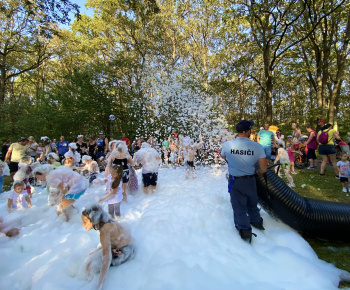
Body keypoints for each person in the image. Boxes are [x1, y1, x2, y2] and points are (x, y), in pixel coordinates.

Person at [221, 120, 267, 243]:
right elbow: (263, 168)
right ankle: (256, 221)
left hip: (235, 180)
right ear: (248, 132)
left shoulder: (227, 145)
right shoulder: (257, 146)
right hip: (251, 180)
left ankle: (245, 231)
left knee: (239, 206)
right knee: (252, 203)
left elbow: (223, 156)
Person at [81, 204, 135, 290]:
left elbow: (107, 258)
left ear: (94, 220)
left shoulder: (104, 231)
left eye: (84, 222)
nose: (82, 225)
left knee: (90, 267)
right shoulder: (108, 221)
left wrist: (100, 285)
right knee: (92, 256)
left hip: (125, 252)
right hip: (128, 245)